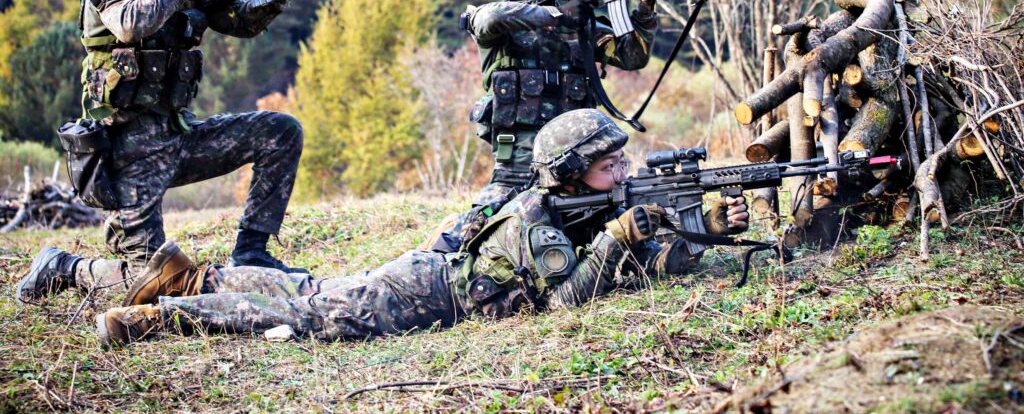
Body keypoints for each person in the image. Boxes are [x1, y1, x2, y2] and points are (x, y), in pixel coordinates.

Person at [94, 109, 748, 346]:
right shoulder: (538, 221)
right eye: (610, 167)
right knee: (306, 316)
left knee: (314, 289)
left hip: (427, 273)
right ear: (574, 175)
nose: (623, 173)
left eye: (622, 162)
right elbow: (566, 300)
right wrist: (618, 237)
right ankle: (163, 315)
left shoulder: (576, 203)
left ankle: (194, 276)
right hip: (419, 295)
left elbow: (631, 268)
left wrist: (703, 231)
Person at [18, 0, 328, 306]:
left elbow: (243, 23)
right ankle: (65, 267)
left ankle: (252, 251)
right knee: (153, 281)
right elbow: (131, 23)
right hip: (130, 156)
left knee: (280, 131)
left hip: (179, 138)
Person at [429, 0, 686, 252]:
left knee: (619, 223)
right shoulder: (498, 25)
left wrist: (646, 5)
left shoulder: (579, 25)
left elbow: (632, 56)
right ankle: (436, 256)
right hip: (520, 165)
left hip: (579, 163)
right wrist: (555, 14)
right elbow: (487, 18)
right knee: (479, 231)